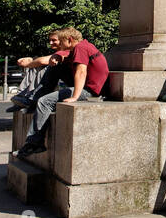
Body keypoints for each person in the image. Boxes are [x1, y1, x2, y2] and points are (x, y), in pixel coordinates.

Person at [14, 26, 109, 159]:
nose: (60, 46)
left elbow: (81, 72)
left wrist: (75, 96)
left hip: (89, 91)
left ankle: (34, 143)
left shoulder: (80, 48)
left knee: (45, 102)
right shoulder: (82, 46)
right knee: (54, 69)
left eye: (61, 42)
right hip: (87, 87)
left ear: (69, 40)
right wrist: (57, 56)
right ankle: (33, 100)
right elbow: (62, 57)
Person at [7, 32, 67, 112]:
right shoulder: (57, 52)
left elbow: (42, 61)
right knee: (35, 65)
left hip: (63, 83)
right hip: (55, 82)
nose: (50, 43)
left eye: (54, 40)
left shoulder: (65, 51)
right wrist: (31, 61)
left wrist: (29, 63)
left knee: (42, 66)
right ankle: (22, 97)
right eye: (50, 40)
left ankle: (31, 99)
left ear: (62, 41)